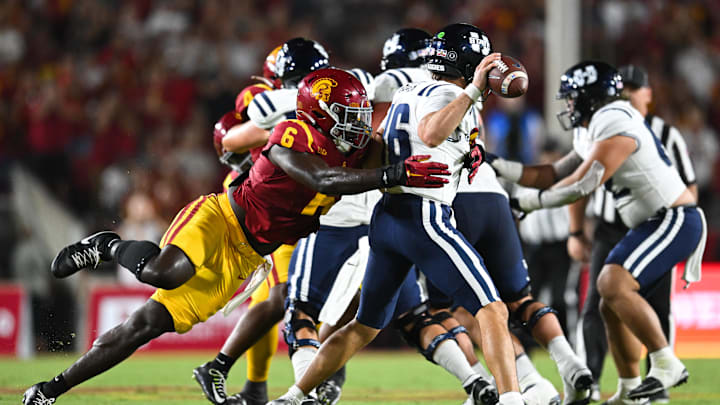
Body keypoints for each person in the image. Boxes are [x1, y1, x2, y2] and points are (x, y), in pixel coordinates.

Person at [22, 67, 450, 405]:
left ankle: (49, 389)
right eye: (348, 116)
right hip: (222, 220)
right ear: (320, 114)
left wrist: (465, 150)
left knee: (145, 325)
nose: (358, 125)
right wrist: (392, 174)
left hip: (247, 256)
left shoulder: (357, 149)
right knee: (163, 272)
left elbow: (403, 146)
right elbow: (321, 177)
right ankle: (106, 245)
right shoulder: (291, 133)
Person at [270, 23, 527, 405]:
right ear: (471, 62)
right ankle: (512, 399)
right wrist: (473, 90)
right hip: (424, 217)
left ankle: (292, 397)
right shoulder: (447, 92)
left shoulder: (410, 90)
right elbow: (432, 130)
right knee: (492, 310)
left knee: (365, 325)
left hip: (388, 219)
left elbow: (378, 148)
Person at [488, 61, 706, 404]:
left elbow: (583, 183)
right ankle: (631, 388)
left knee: (612, 283)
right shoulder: (594, 126)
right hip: (648, 222)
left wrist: (527, 204)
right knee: (607, 303)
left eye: (573, 98)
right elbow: (552, 172)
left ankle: (666, 363)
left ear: (591, 97)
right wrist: (499, 164)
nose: (569, 106)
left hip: (674, 217)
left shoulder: (615, 117)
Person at [193, 38, 329, 405]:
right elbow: (233, 136)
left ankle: (255, 384)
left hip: (296, 206)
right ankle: (230, 370)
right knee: (286, 296)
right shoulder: (265, 97)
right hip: (267, 203)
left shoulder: (308, 100)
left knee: (281, 298)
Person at [571, 64, 698, 404]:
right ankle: (607, 383)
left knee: (654, 305)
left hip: (657, 226)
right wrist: (576, 230)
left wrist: (676, 231)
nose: (626, 92)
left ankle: (660, 378)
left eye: (634, 87)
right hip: (610, 228)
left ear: (649, 94)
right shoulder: (594, 129)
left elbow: (688, 187)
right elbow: (578, 184)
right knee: (600, 307)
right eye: (621, 87)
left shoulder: (665, 132)